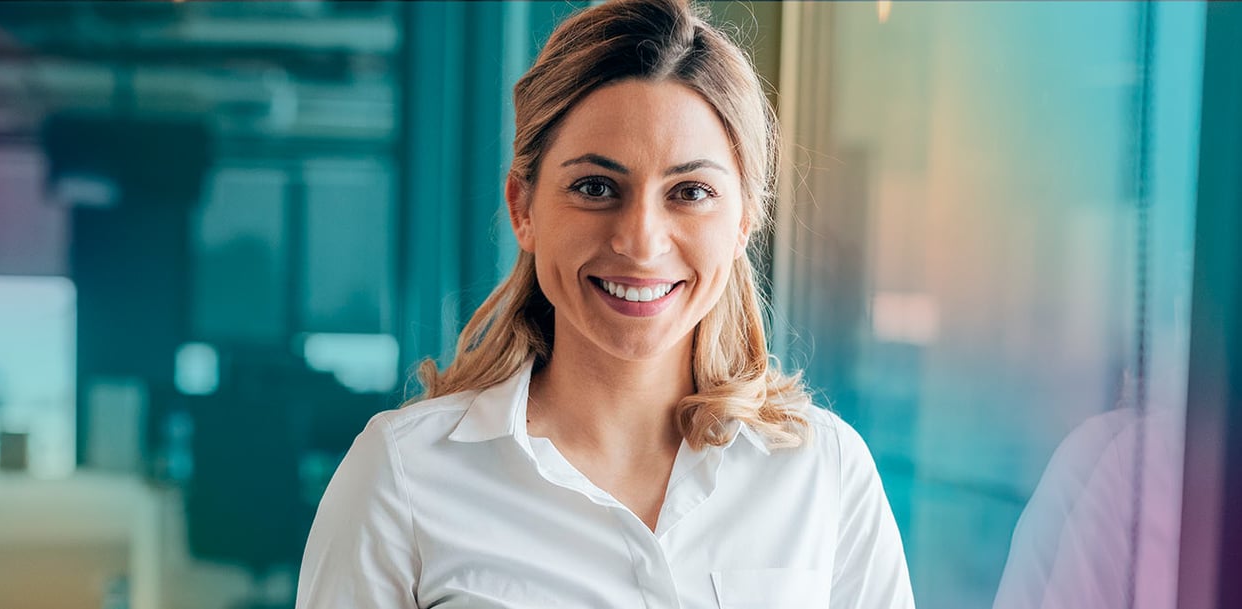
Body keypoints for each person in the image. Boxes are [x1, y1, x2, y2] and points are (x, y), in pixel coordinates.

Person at [297, 0, 914, 606]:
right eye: (596, 187)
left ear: (745, 219)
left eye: (690, 191)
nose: (640, 243)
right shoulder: (401, 477)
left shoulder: (824, 473)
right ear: (523, 208)